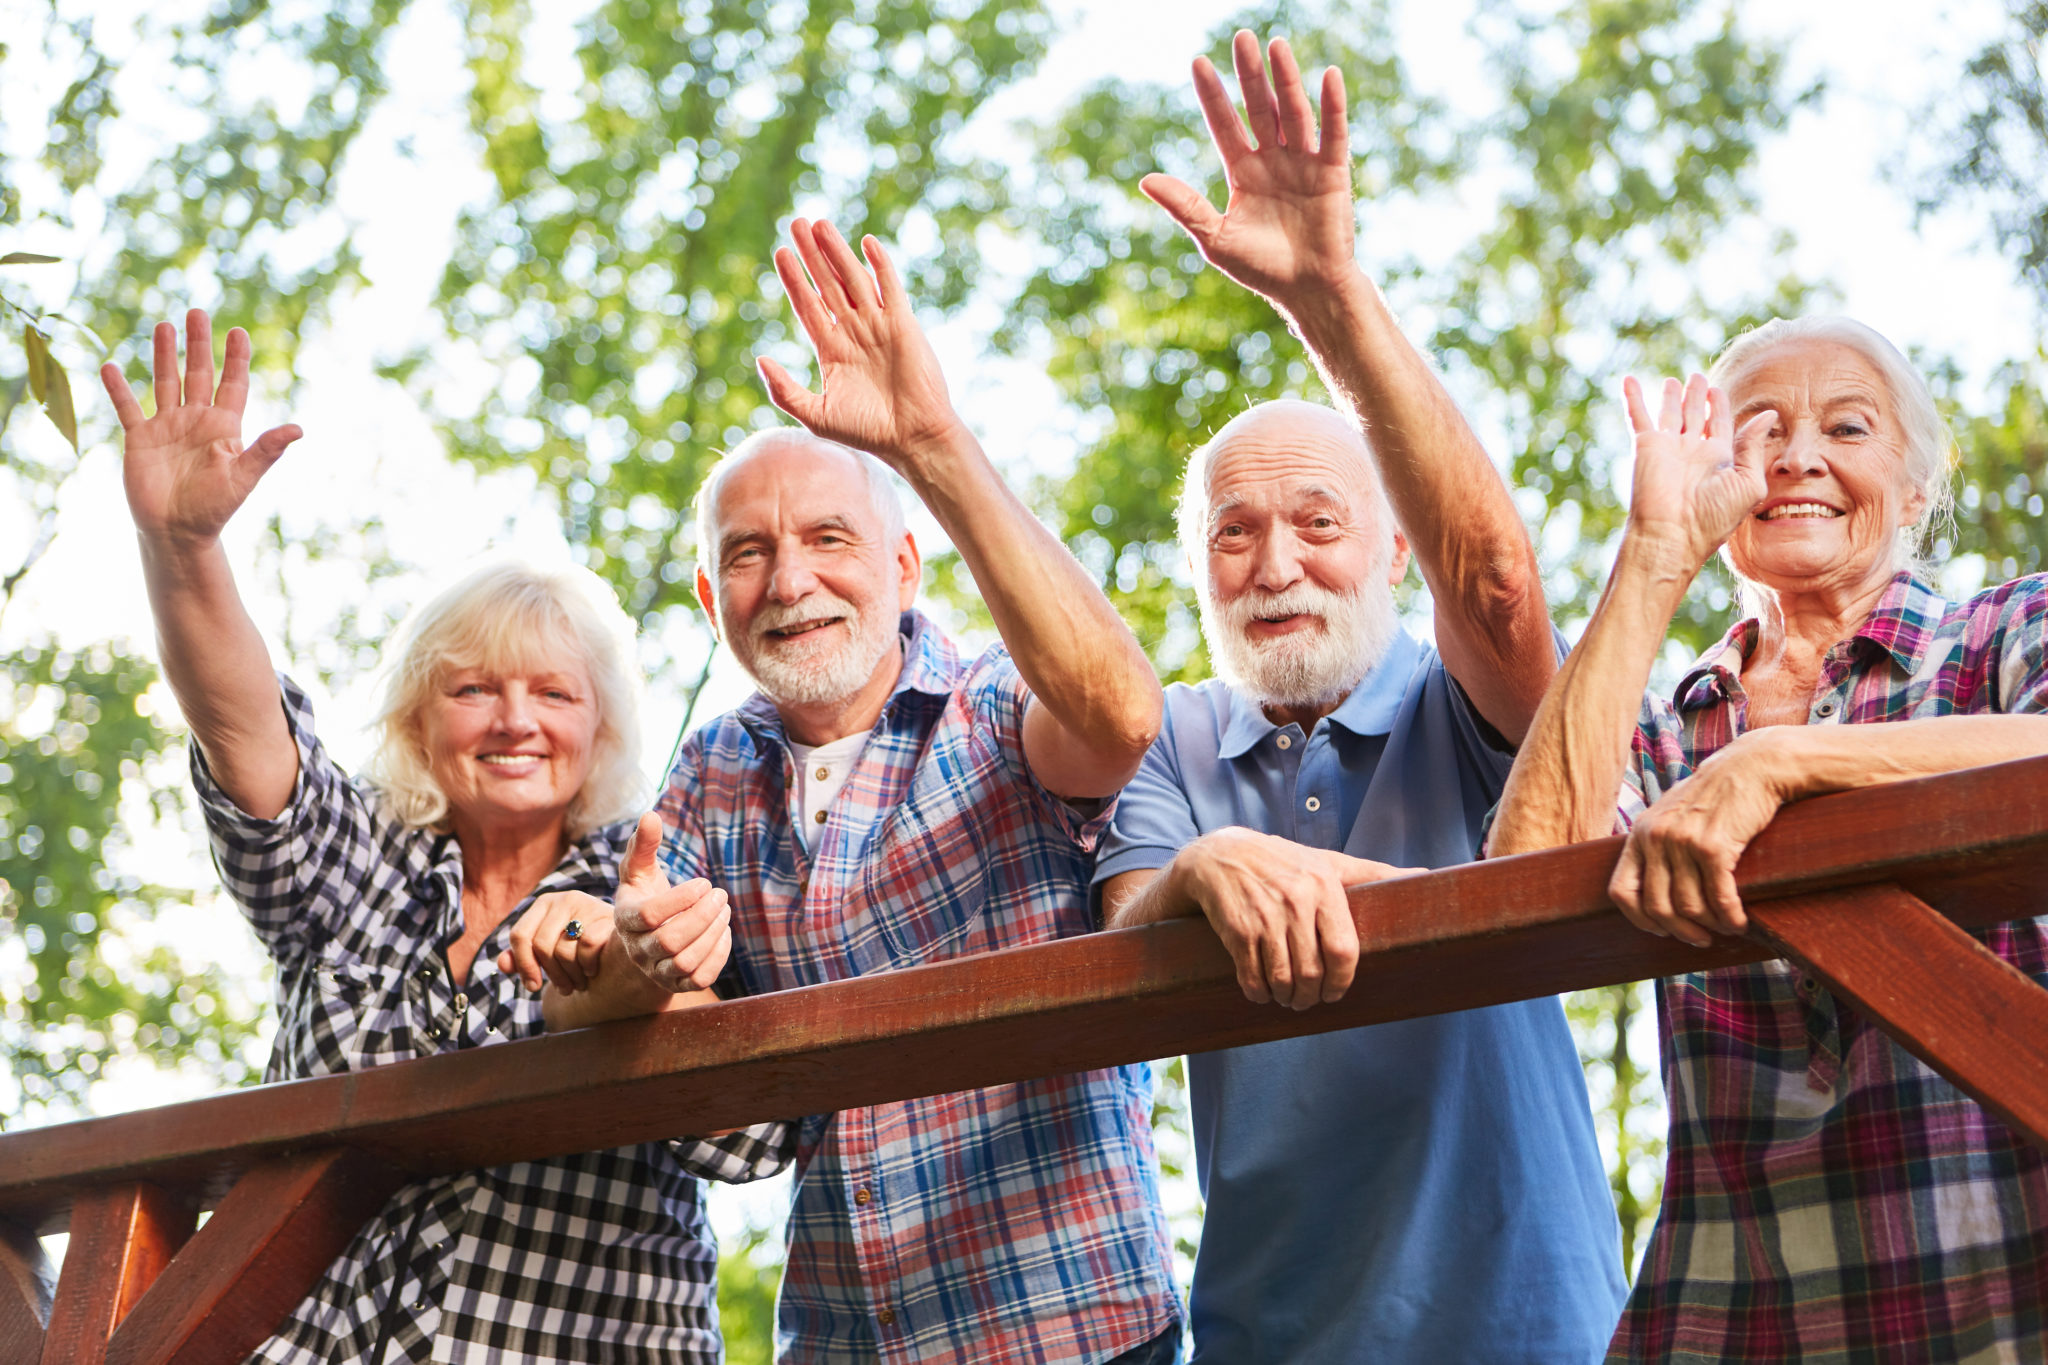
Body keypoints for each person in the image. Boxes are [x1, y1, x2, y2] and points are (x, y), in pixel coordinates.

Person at [100, 311, 788, 1364]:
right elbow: (241, 729)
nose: (516, 720)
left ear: (598, 727)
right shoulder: (355, 869)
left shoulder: (661, 871)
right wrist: (181, 548)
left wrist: (641, 971)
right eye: (474, 689)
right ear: (420, 719)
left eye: (554, 693)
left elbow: (747, 1138)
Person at [1090, 31, 1627, 1365]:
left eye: (1319, 522)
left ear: (1394, 553)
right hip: (1270, 1337)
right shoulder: (1177, 740)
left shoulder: (1463, 706)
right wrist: (1207, 860)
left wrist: (1327, 295)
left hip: (1525, 1324)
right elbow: (1126, 926)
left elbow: (1499, 583)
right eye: (1234, 532)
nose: (1276, 562)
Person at [560, 219, 1183, 1364]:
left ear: (902, 567)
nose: (789, 580)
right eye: (748, 554)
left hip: (1066, 1329)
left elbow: (1121, 716)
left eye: (828, 539)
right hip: (843, 1336)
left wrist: (933, 441)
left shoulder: (995, 710)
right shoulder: (709, 776)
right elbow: (615, 1012)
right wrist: (629, 970)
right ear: (712, 596)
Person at [1486, 318, 2048, 1361]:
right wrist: (1654, 552)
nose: (1796, 456)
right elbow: (1520, 879)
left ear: (1915, 490)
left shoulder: (2003, 635)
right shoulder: (1662, 726)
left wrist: (1776, 763)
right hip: (1735, 1309)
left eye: (1845, 425)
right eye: (1756, 434)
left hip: (2006, 1279)